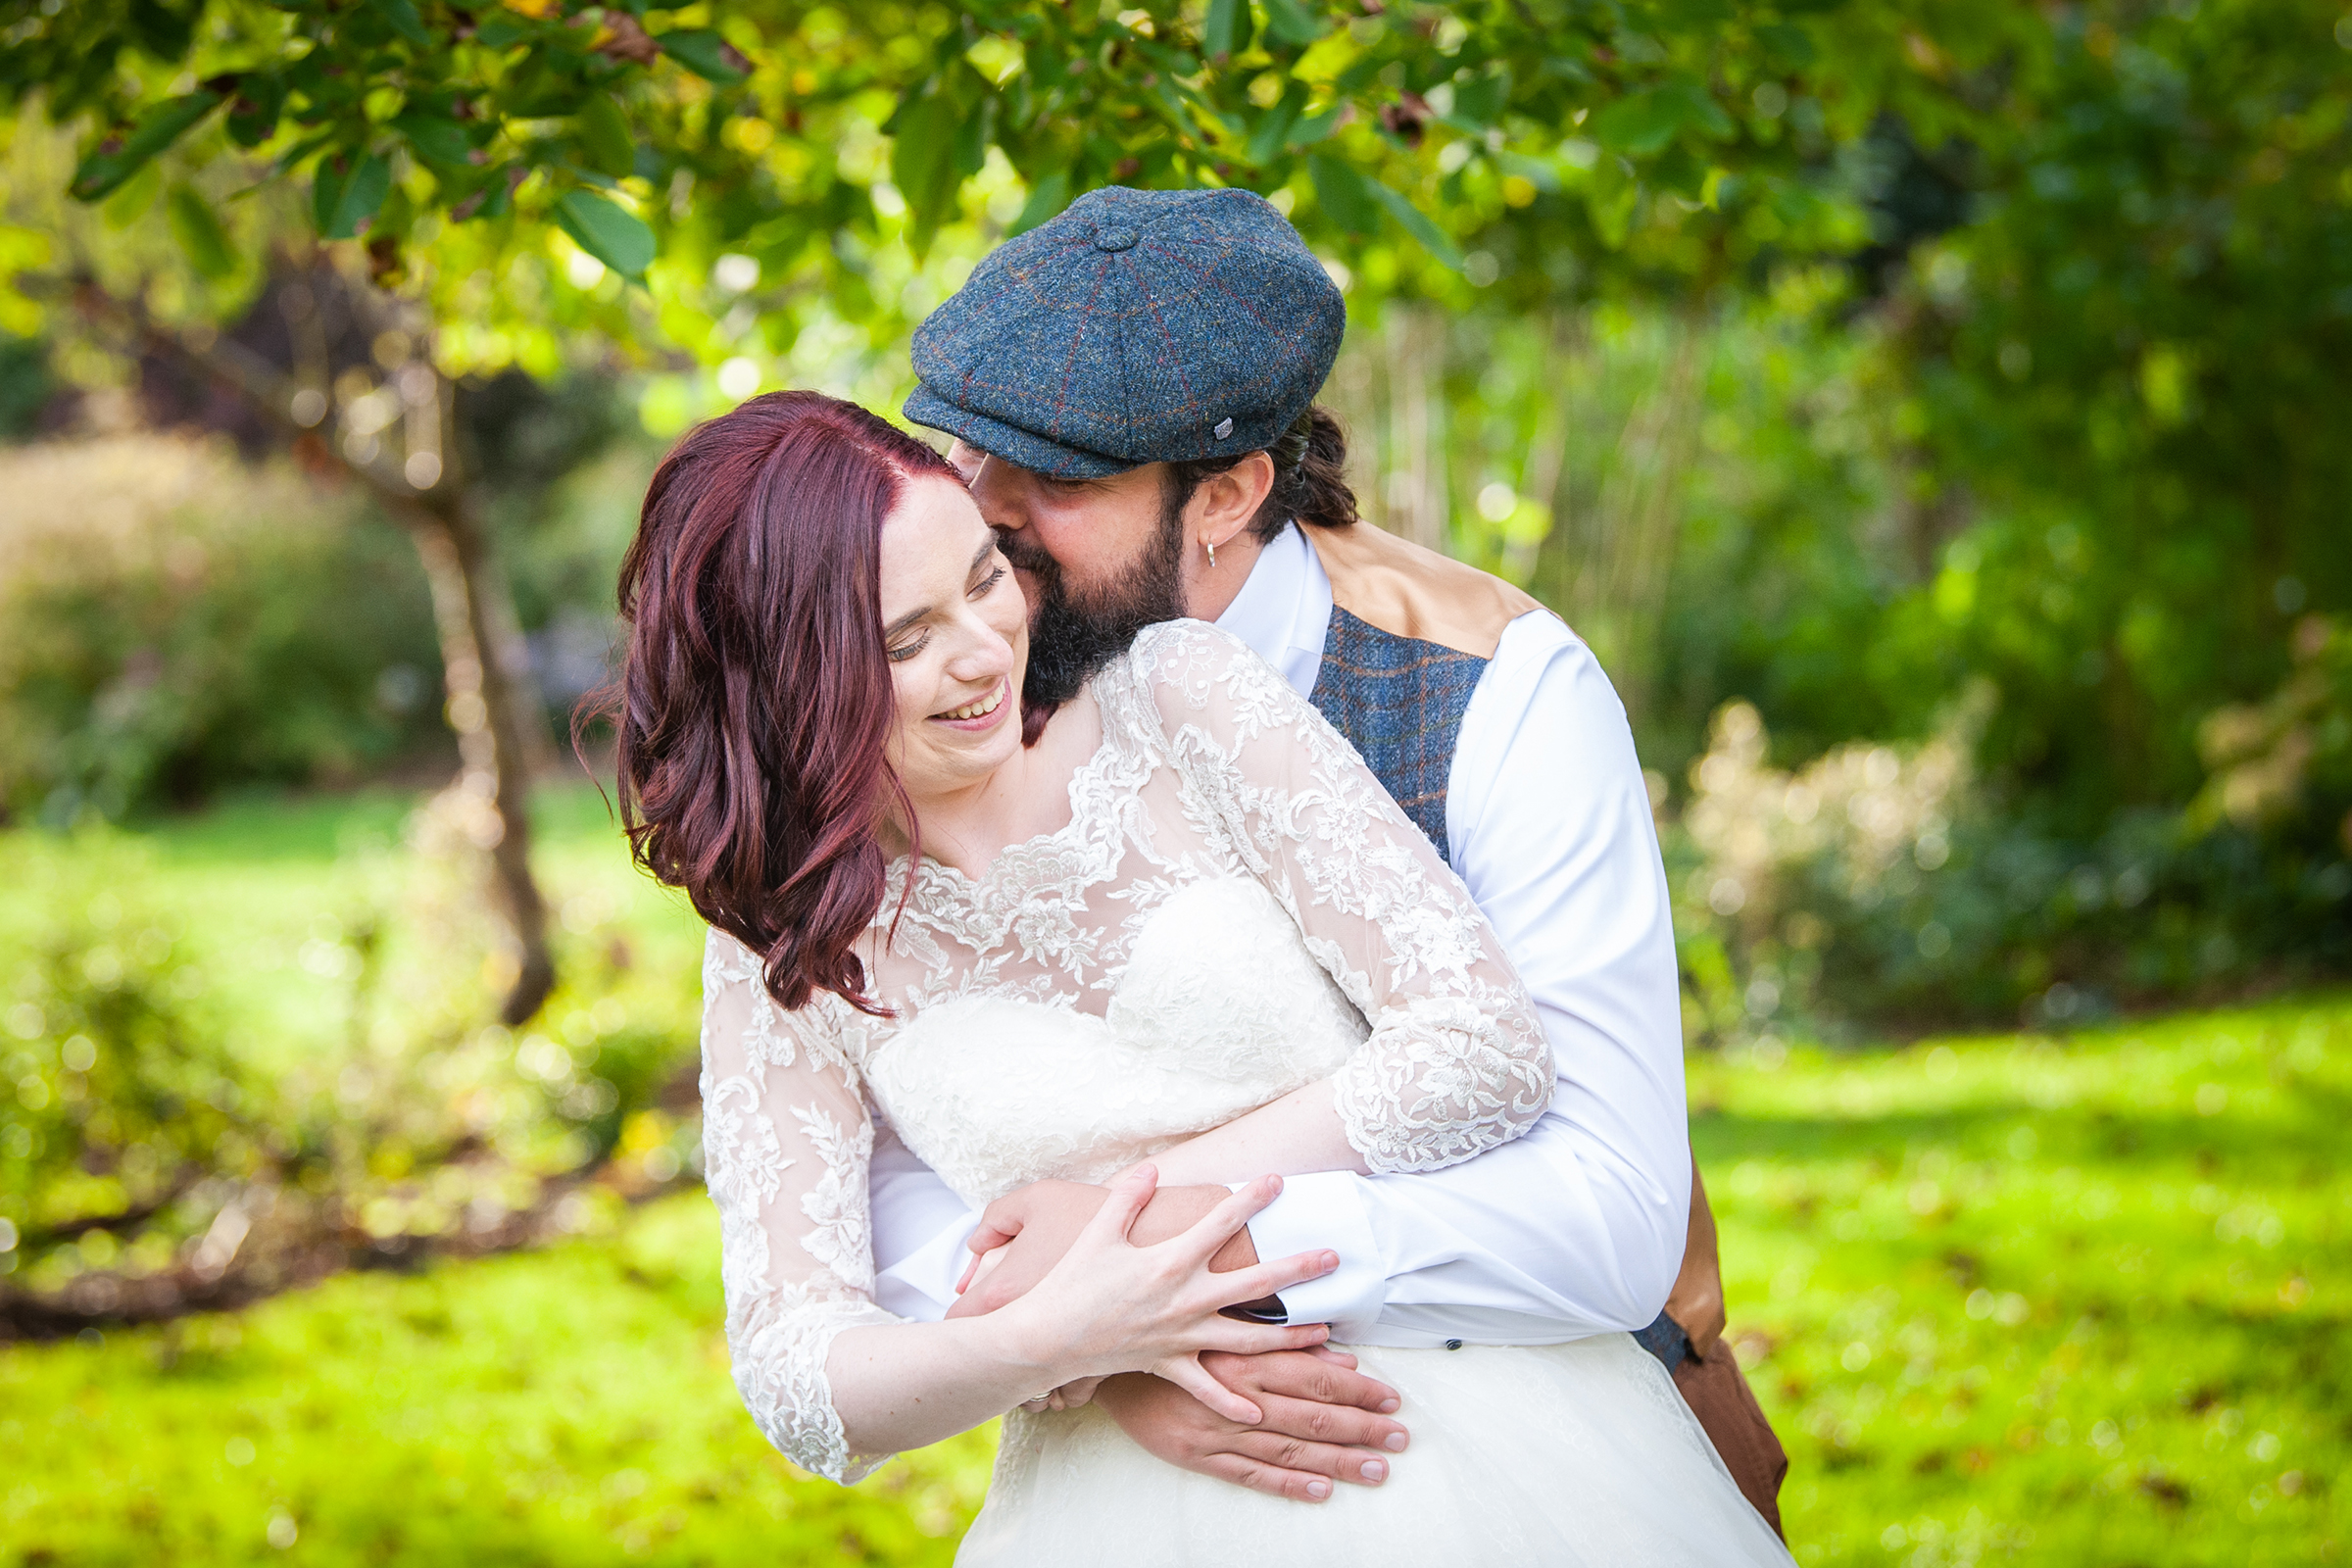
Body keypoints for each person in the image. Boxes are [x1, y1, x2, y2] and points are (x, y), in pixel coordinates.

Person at [607, 383, 1792, 1561]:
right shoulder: (783, 946)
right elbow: (797, 1370)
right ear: (786, 680)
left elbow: (1482, 1046)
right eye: (906, 639)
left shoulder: (1182, 698)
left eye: (984, 578)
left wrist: (1121, 1229)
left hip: (1470, 1441)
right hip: (1116, 1507)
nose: (984, 653)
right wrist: (1069, 1337)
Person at [869, 184, 1792, 1532]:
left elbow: (1611, 1211)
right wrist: (1091, 1343)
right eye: (970, 453)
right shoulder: (966, 681)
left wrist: (1183, 1272)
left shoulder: (1499, 690)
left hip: (1536, 1465)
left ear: (1231, 492)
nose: (985, 518)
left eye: (1055, 479)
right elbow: (889, 1134)